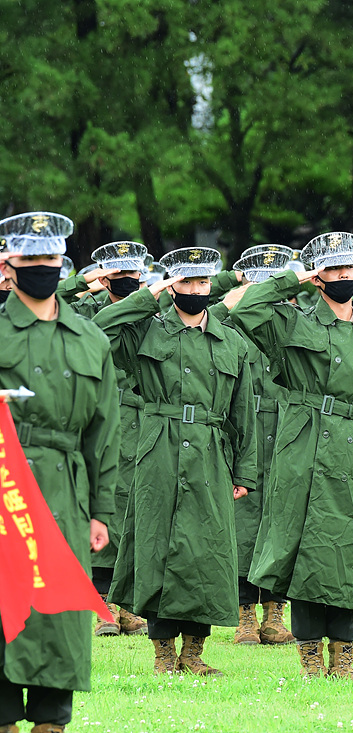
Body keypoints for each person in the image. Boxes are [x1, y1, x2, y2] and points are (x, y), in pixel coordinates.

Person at [229, 231, 353, 679]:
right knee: (305, 548)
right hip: (302, 446)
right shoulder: (293, 322)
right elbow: (246, 309)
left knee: (345, 549)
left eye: (349, 268)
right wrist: (294, 279)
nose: (343, 275)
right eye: (332, 268)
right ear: (318, 275)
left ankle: (343, 653)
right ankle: (309, 653)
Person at [93, 246, 257, 677]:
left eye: (203, 282)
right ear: (171, 285)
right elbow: (98, 328)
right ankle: (163, 654)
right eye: (186, 282)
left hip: (211, 452)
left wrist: (245, 471)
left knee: (206, 550)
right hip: (158, 450)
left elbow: (244, 412)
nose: (196, 290)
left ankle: (194, 652)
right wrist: (148, 297)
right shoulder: (146, 331)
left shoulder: (231, 340)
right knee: (158, 548)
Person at [0, 212, 121, 733]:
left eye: (50, 258)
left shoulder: (91, 339)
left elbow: (103, 433)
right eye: (31, 259)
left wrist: (100, 513)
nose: (41, 267)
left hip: (66, 500)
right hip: (6, 492)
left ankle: (52, 723)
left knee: (59, 620)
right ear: (8, 264)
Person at [55, 242, 150, 638]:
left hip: (142, 417)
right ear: (104, 276)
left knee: (135, 510)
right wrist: (83, 283)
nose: (125, 281)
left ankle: (126, 603)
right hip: (98, 413)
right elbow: (53, 302)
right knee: (101, 504)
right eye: (117, 274)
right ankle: (101, 604)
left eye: (132, 274)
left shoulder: (149, 312)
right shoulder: (84, 311)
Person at [215, 246, 297, 648]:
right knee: (244, 526)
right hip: (243, 434)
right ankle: (245, 616)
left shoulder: (296, 322)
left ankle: (275, 615)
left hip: (287, 433)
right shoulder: (228, 327)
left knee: (282, 523)